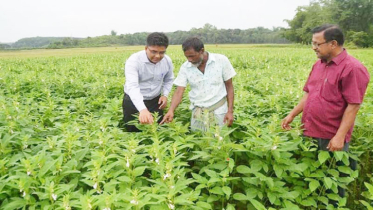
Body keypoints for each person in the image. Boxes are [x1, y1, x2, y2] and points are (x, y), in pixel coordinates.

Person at [281, 24, 370, 204]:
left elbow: (353, 106)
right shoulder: (318, 65)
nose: (313, 47)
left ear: (333, 44)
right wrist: (292, 114)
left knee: (333, 183)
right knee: (313, 177)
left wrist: (339, 137)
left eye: (317, 43)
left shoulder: (352, 68)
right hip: (310, 131)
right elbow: (309, 93)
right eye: (312, 43)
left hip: (331, 136)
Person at [161, 37, 236, 132]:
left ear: (201, 51)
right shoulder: (185, 67)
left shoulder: (221, 60)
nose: (189, 60)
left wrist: (230, 111)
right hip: (197, 113)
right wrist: (171, 110)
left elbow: (229, 86)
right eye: (187, 56)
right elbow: (179, 90)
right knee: (199, 141)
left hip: (219, 111)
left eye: (192, 56)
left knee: (219, 142)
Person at [122, 32, 174, 132]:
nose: (158, 56)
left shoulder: (167, 61)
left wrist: (165, 95)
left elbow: (169, 79)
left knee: (156, 130)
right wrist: (142, 109)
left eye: (162, 52)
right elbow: (132, 86)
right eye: (153, 52)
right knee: (133, 133)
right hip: (133, 101)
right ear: (146, 48)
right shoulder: (134, 61)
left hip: (155, 101)